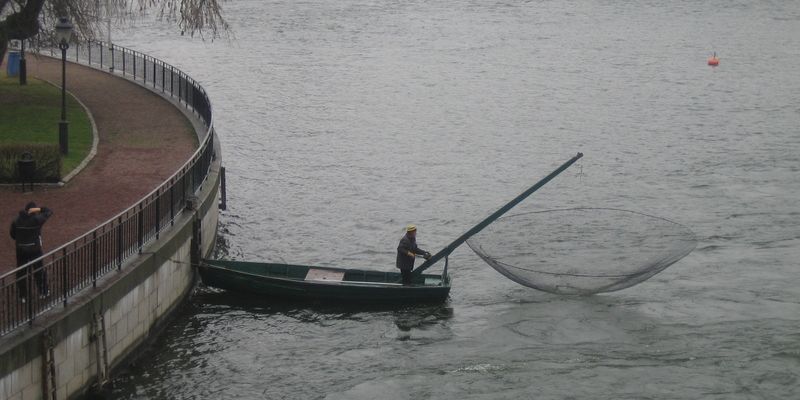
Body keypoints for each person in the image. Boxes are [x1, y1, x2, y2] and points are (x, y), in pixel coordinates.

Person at [10, 202, 53, 302]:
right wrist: (39, 209)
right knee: (39, 270)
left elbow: (12, 234)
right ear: (33, 211)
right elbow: (49, 211)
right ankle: (43, 292)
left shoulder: (16, 220)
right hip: (35, 249)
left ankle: (23, 296)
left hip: (21, 249)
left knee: (21, 272)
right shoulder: (36, 220)